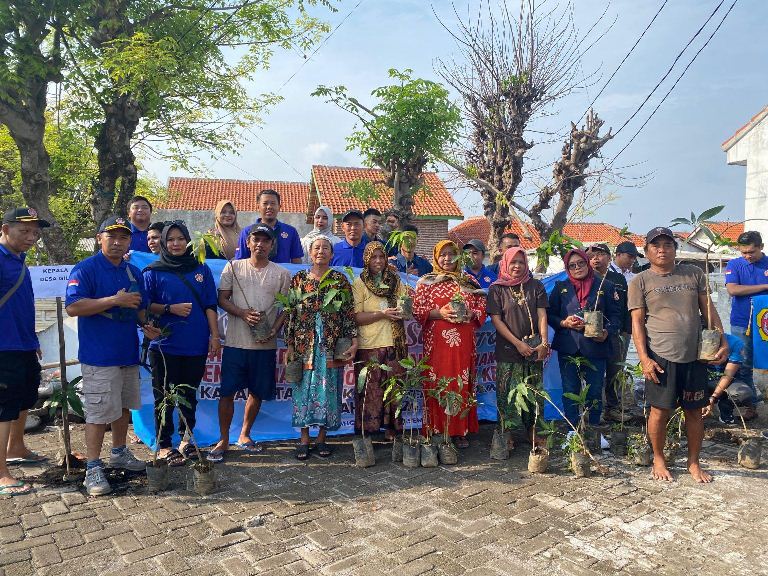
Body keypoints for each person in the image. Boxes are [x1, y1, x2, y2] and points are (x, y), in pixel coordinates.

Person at [66, 216, 160, 496]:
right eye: (112, 237)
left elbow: (138, 307)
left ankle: (119, 452)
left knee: (123, 408)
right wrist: (113, 300)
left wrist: (146, 325)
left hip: (127, 352)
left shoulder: (133, 272)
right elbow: (73, 307)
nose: (118, 243)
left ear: (130, 241)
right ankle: (93, 467)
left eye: (123, 238)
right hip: (99, 356)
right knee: (97, 414)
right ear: (99, 238)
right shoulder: (86, 269)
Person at [628, 226, 728, 483]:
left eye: (668, 245)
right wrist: (644, 358)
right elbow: (637, 323)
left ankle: (693, 463)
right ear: (647, 251)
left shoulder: (693, 274)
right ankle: (658, 458)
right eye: (656, 245)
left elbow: (709, 310)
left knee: (695, 411)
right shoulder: (640, 281)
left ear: (675, 248)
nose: (662, 250)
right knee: (659, 412)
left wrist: (722, 340)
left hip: (696, 355)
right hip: (661, 356)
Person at [209, 225, 291, 462]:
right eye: (256, 239)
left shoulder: (282, 274)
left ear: (272, 245)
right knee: (227, 392)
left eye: (266, 240)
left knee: (257, 392)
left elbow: (285, 307)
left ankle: (244, 435)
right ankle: (223, 439)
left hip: (264, 345)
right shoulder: (233, 267)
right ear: (248, 242)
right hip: (235, 342)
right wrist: (242, 313)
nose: (260, 244)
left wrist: (274, 330)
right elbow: (221, 299)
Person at [143, 222, 221, 466]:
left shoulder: (201, 269)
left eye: (180, 239)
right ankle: (165, 445)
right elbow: (143, 306)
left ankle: (186, 439)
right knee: (163, 396)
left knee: (189, 394)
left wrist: (215, 336)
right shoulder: (152, 272)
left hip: (195, 343)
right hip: (164, 345)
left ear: (187, 242)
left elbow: (210, 305)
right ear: (164, 243)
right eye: (170, 240)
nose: (175, 244)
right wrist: (169, 309)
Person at [285, 237, 358, 460]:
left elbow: (347, 313)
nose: (321, 251)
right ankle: (304, 439)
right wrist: (289, 344)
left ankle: (322, 438)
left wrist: (353, 340)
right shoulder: (298, 279)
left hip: (331, 344)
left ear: (331, 253)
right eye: (316, 248)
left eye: (325, 248)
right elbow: (291, 313)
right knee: (303, 390)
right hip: (303, 344)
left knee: (329, 390)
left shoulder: (339, 280)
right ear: (309, 252)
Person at [413, 240, 487, 448]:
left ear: (458, 257)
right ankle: (436, 428)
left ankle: (459, 430)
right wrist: (440, 313)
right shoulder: (426, 282)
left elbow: (482, 304)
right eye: (442, 254)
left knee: (460, 382)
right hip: (436, 344)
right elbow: (417, 311)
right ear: (436, 257)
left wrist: (472, 313)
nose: (447, 259)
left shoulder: (468, 280)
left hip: (463, 343)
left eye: (451, 254)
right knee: (438, 383)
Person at [0, 207, 49, 496]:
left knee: (24, 397)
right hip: (3, 347)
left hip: (24, 344)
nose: (31, 237)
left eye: (35, 233)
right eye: (24, 231)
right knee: (4, 406)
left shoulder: (20, 261)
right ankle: (1, 473)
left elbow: (21, 306)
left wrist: (33, 340)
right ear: (5, 229)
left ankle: (16, 447)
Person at [548, 249, 620, 429]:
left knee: (594, 390)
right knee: (570, 389)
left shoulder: (605, 286)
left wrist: (606, 332)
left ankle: (594, 429)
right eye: (572, 265)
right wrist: (564, 322)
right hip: (569, 347)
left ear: (587, 263)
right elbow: (549, 314)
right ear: (567, 268)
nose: (577, 268)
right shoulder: (560, 287)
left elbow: (617, 317)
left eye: (581, 263)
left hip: (596, 346)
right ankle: (573, 430)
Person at [487, 247, 548, 448]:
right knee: (507, 393)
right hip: (508, 350)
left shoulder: (536, 286)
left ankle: (533, 431)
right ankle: (507, 432)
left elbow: (542, 315)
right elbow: (497, 320)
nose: (517, 266)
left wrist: (544, 343)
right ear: (505, 263)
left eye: (521, 262)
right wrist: (518, 343)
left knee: (534, 392)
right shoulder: (497, 289)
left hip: (534, 349)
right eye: (513, 262)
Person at [352, 242, 408, 441]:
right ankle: (368, 431)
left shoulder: (395, 280)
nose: (378, 261)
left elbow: (406, 309)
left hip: (395, 343)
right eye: (373, 257)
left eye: (381, 257)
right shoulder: (359, 283)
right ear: (366, 259)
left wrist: (404, 309)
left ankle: (393, 430)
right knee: (370, 392)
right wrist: (382, 314)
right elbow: (356, 317)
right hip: (370, 345)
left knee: (395, 389)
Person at [724, 230, 768, 420]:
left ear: (761, 247)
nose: (747, 256)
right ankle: (751, 406)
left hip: (765, 323)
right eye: (744, 252)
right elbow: (733, 289)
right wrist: (765, 287)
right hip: (742, 323)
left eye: (751, 252)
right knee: (743, 364)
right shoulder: (734, 264)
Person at [586, 243, 632, 423]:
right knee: (593, 371)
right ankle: (590, 408)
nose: (596, 258)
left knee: (615, 370)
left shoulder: (617, 279)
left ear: (609, 257)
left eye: (600, 254)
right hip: (592, 333)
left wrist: (627, 330)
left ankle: (612, 407)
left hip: (616, 332)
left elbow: (625, 305)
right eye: (592, 256)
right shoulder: (585, 278)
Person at [235, 189, 303, 263]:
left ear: (279, 207)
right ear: (258, 207)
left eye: (273, 203)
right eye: (265, 203)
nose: (269, 207)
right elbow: (240, 261)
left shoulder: (291, 232)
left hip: (282, 274)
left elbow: (296, 260)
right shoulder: (247, 232)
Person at [704, 333, 748, 426]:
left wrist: (713, 397)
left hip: (727, 381)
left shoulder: (736, 343)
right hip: (704, 380)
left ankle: (725, 411)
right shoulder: (696, 341)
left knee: (743, 392)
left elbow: (728, 375)